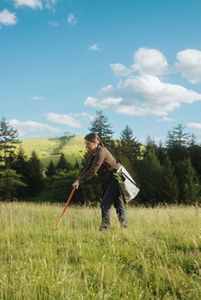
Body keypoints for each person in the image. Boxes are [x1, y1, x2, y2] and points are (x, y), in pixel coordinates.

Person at [72, 132, 128, 231]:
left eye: (88, 144)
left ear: (95, 142)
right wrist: (78, 180)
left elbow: (93, 170)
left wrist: (80, 181)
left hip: (116, 179)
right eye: (86, 144)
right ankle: (124, 227)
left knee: (105, 204)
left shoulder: (101, 152)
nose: (86, 146)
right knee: (118, 203)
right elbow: (87, 168)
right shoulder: (95, 153)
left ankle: (105, 229)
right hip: (109, 180)